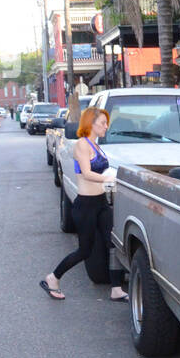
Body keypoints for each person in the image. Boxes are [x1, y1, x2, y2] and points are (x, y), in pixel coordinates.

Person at [42, 106, 127, 302]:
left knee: (112, 243)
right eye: (102, 123)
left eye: (106, 122)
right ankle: (53, 278)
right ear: (91, 124)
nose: (106, 126)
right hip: (86, 205)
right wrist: (111, 181)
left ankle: (116, 288)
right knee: (85, 250)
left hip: (101, 203)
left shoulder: (96, 145)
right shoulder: (82, 145)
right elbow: (87, 173)